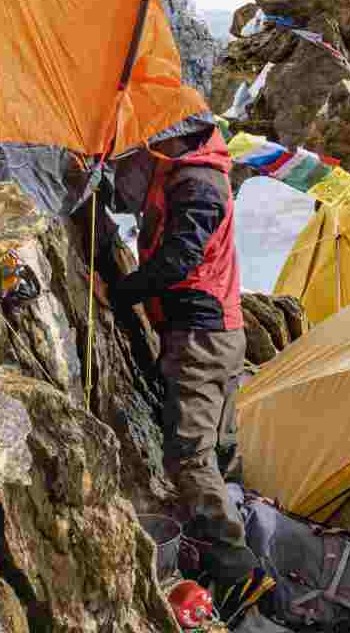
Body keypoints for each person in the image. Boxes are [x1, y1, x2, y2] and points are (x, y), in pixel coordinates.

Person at [98, 126, 262, 604]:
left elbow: (180, 257)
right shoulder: (194, 172)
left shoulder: (195, 184)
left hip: (200, 335)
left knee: (189, 455)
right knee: (219, 445)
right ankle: (233, 534)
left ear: (174, 135)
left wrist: (119, 293)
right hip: (219, 330)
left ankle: (237, 571)